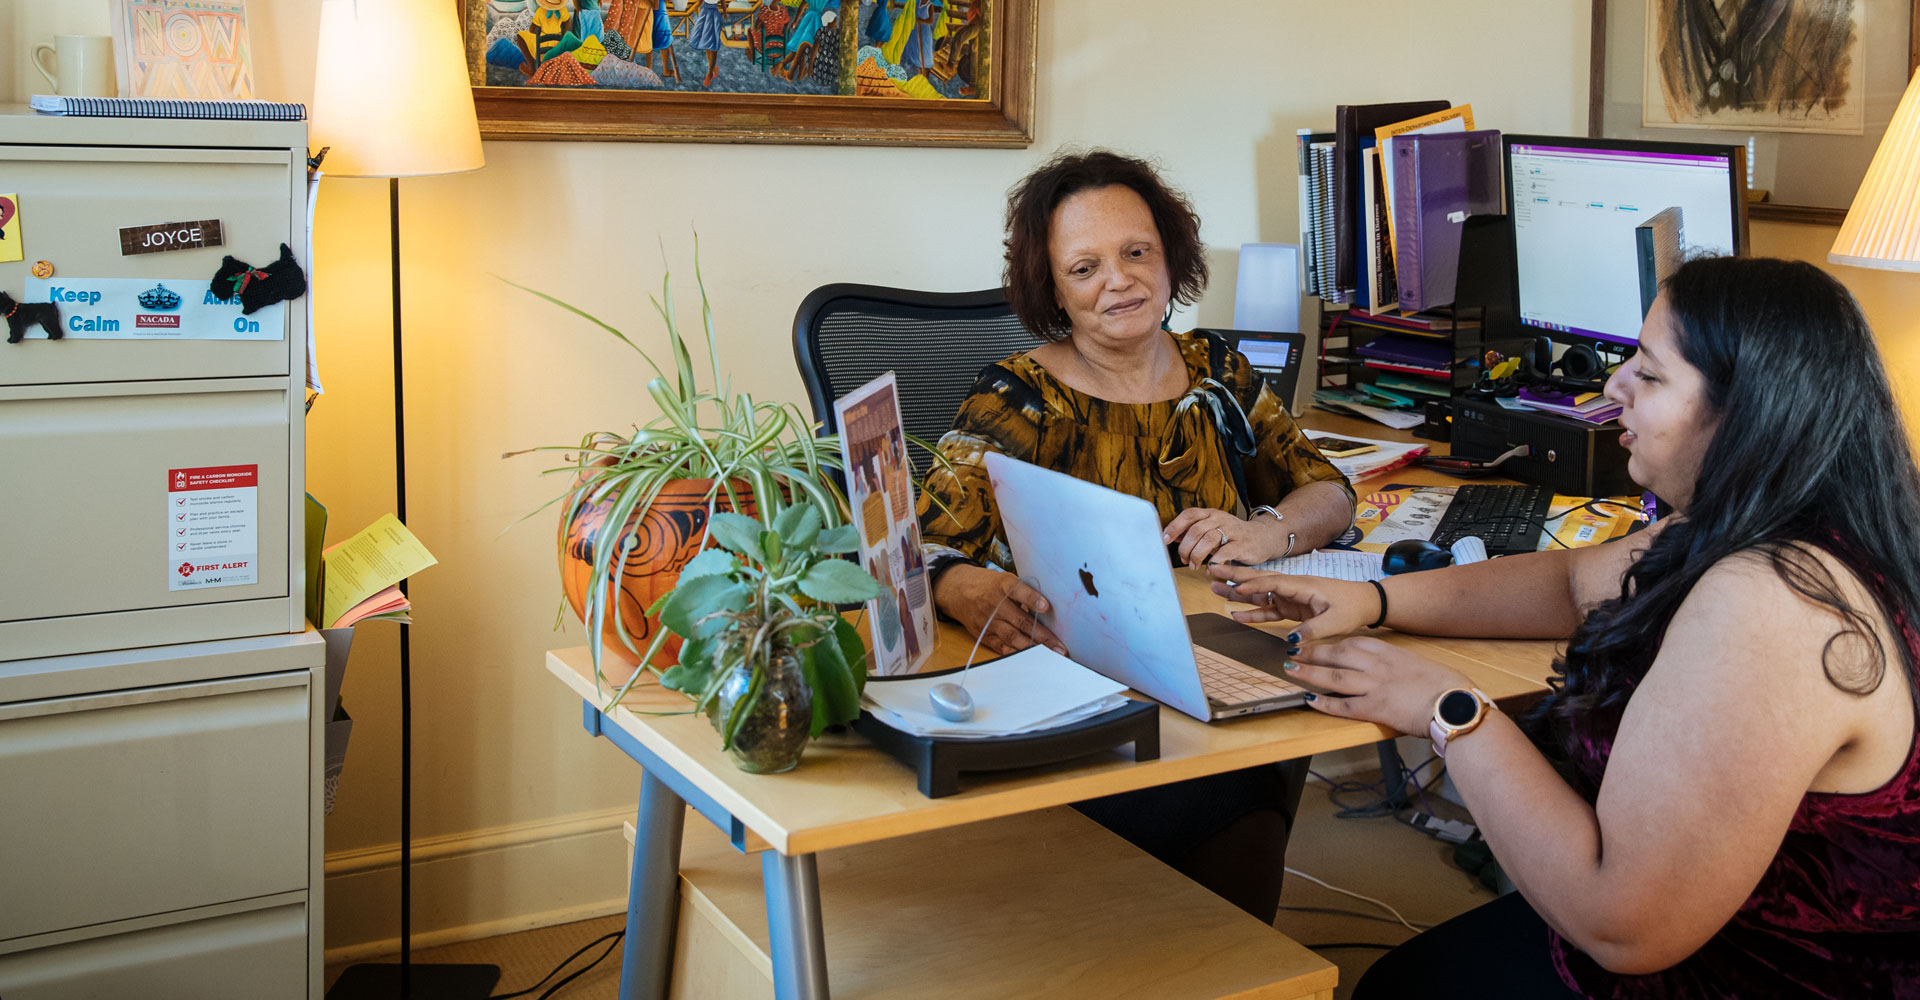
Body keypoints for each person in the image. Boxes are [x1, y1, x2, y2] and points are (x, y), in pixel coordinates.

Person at [1212, 256, 1920, 997]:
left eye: (1648, 374)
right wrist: (1379, 602)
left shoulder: (1774, 603)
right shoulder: (1765, 523)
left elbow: (1624, 927)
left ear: (1746, 411)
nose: (1613, 387)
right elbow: (1568, 582)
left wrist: (1449, 710)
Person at [915, 149, 1358, 921]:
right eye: (1084, 268)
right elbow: (925, 548)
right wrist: (963, 588)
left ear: (1170, 254)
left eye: (1135, 253)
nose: (1119, 281)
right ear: (1051, 286)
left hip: (1219, 667)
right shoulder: (1019, 396)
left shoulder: (1218, 369)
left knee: (1248, 807)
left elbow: (1329, 491)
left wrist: (1266, 530)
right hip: (1083, 694)